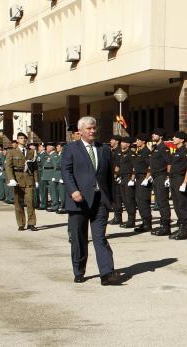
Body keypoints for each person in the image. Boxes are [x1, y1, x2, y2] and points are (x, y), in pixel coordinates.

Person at [60, 116, 123, 286]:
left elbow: (109, 176)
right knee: (79, 238)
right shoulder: (71, 149)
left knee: (100, 237)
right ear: (80, 131)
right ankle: (79, 270)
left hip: (100, 200)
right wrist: (73, 190)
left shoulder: (104, 149)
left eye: (94, 128)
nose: (92, 131)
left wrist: (112, 199)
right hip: (79, 201)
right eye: (88, 128)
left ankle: (107, 273)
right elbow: (66, 172)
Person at [5, 132, 38, 231]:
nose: (22, 140)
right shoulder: (12, 152)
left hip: (29, 178)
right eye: (20, 138)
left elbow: (35, 167)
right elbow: (8, 167)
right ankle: (21, 223)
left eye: (24, 138)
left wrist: (36, 180)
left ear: (26, 140)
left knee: (30, 202)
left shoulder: (31, 152)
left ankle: (31, 223)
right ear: (17, 140)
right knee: (18, 203)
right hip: (17, 179)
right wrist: (11, 179)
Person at [168, 131, 187, 240]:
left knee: (183, 205)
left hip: (180, 179)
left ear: (182, 140)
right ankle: (180, 227)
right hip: (174, 179)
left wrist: (184, 183)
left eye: (176, 137)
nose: (173, 138)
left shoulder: (185, 152)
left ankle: (185, 231)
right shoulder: (176, 151)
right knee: (177, 204)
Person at [148, 129, 173, 236]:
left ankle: (166, 227)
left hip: (162, 176)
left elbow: (169, 163)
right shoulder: (156, 148)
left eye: (155, 134)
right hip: (156, 177)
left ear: (161, 136)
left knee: (163, 202)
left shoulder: (164, 148)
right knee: (159, 201)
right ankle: (163, 225)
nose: (153, 135)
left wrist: (168, 177)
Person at [131, 135, 152, 233]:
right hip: (138, 178)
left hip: (144, 178)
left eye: (138, 139)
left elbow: (150, 166)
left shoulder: (147, 152)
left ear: (143, 141)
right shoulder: (138, 152)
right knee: (139, 201)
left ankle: (147, 224)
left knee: (143, 201)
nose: (137, 141)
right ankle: (144, 221)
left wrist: (147, 178)